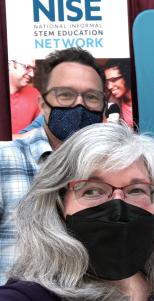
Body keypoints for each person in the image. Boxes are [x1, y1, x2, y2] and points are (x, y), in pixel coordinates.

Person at [0, 123, 154, 300]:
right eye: (93, 190)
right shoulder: (33, 293)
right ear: (58, 205)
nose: (118, 208)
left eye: (136, 190)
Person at [0, 47, 107, 284]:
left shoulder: (114, 170)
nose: (80, 106)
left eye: (91, 97)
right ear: (43, 103)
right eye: (65, 95)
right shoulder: (5, 161)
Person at [8, 57, 41, 134]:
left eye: (33, 69)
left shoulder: (35, 94)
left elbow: (40, 131)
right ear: (9, 64)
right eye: (27, 67)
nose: (32, 74)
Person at [104, 58, 135, 127]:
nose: (109, 86)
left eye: (113, 80)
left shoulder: (144, 99)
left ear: (126, 76)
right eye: (107, 81)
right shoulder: (111, 103)